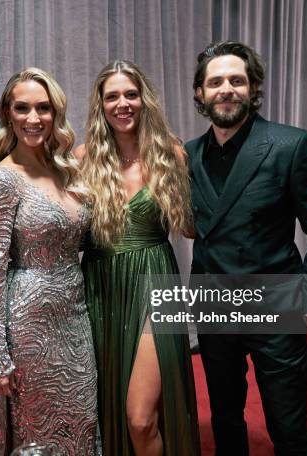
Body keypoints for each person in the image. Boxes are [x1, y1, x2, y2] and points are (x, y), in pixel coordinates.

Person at [186, 40, 307, 455]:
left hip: (276, 306)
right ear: (200, 93)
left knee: (286, 423)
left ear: (253, 88)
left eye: (237, 80)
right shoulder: (188, 155)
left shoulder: (291, 145)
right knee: (224, 418)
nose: (226, 89)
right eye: (215, 81)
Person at [76, 60, 200, 456]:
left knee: (140, 417)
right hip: (101, 286)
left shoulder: (172, 155)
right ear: (101, 105)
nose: (122, 103)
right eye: (112, 96)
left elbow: (193, 229)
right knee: (109, 406)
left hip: (156, 282)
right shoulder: (83, 159)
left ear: (144, 99)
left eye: (130, 94)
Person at [0, 68, 98, 455]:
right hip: (27, 324)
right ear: (7, 114)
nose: (33, 118)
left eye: (43, 108)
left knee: (82, 422)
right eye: (22, 108)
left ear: (56, 113)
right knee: (36, 434)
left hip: (75, 318)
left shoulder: (66, 171)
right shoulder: (3, 178)